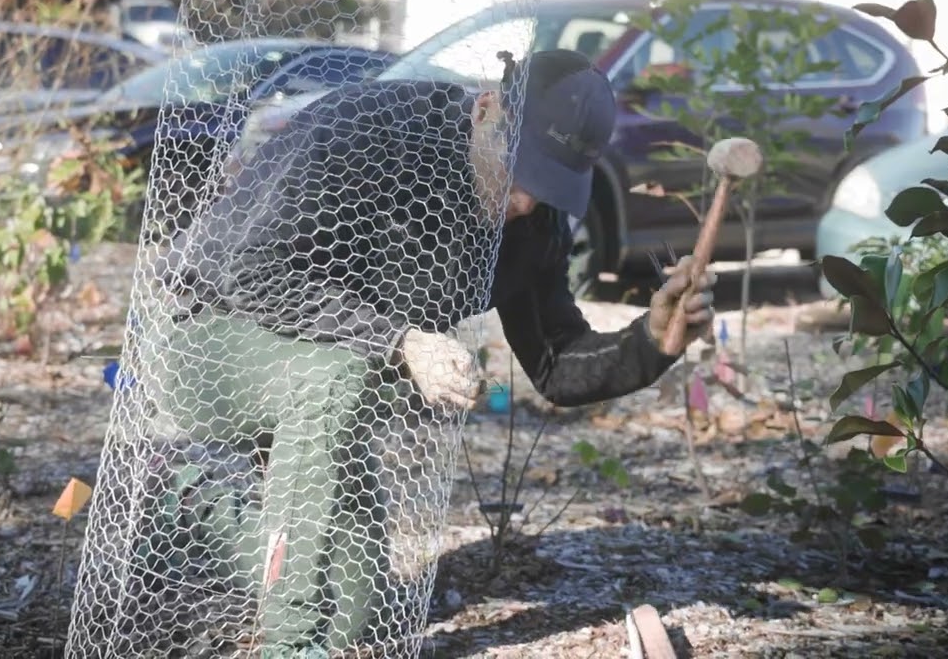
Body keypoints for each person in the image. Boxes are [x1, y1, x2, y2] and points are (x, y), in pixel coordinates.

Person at [139, 49, 717, 658]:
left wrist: (652, 341)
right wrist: (402, 340)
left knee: (357, 615)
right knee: (338, 377)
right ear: (486, 110)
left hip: (330, 398)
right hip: (204, 341)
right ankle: (288, 642)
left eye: (548, 183)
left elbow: (556, 364)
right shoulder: (367, 128)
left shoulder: (534, 219)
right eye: (519, 168)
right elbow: (250, 273)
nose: (524, 200)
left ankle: (190, 499)